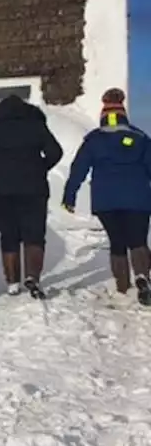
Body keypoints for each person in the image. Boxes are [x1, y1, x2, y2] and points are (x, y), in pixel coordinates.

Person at [0, 94, 63, 299]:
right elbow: (55, 152)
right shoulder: (36, 126)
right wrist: (40, 167)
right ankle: (33, 278)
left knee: (9, 235)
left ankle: (12, 282)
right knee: (34, 234)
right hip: (33, 187)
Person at [62, 87, 151, 303]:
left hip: (106, 201)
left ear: (103, 115)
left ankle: (122, 287)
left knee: (117, 241)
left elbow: (79, 168)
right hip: (138, 198)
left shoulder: (94, 140)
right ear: (123, 114)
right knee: (138, 239)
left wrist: (69, 196)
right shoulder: (140, 137)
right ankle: (142, 276)